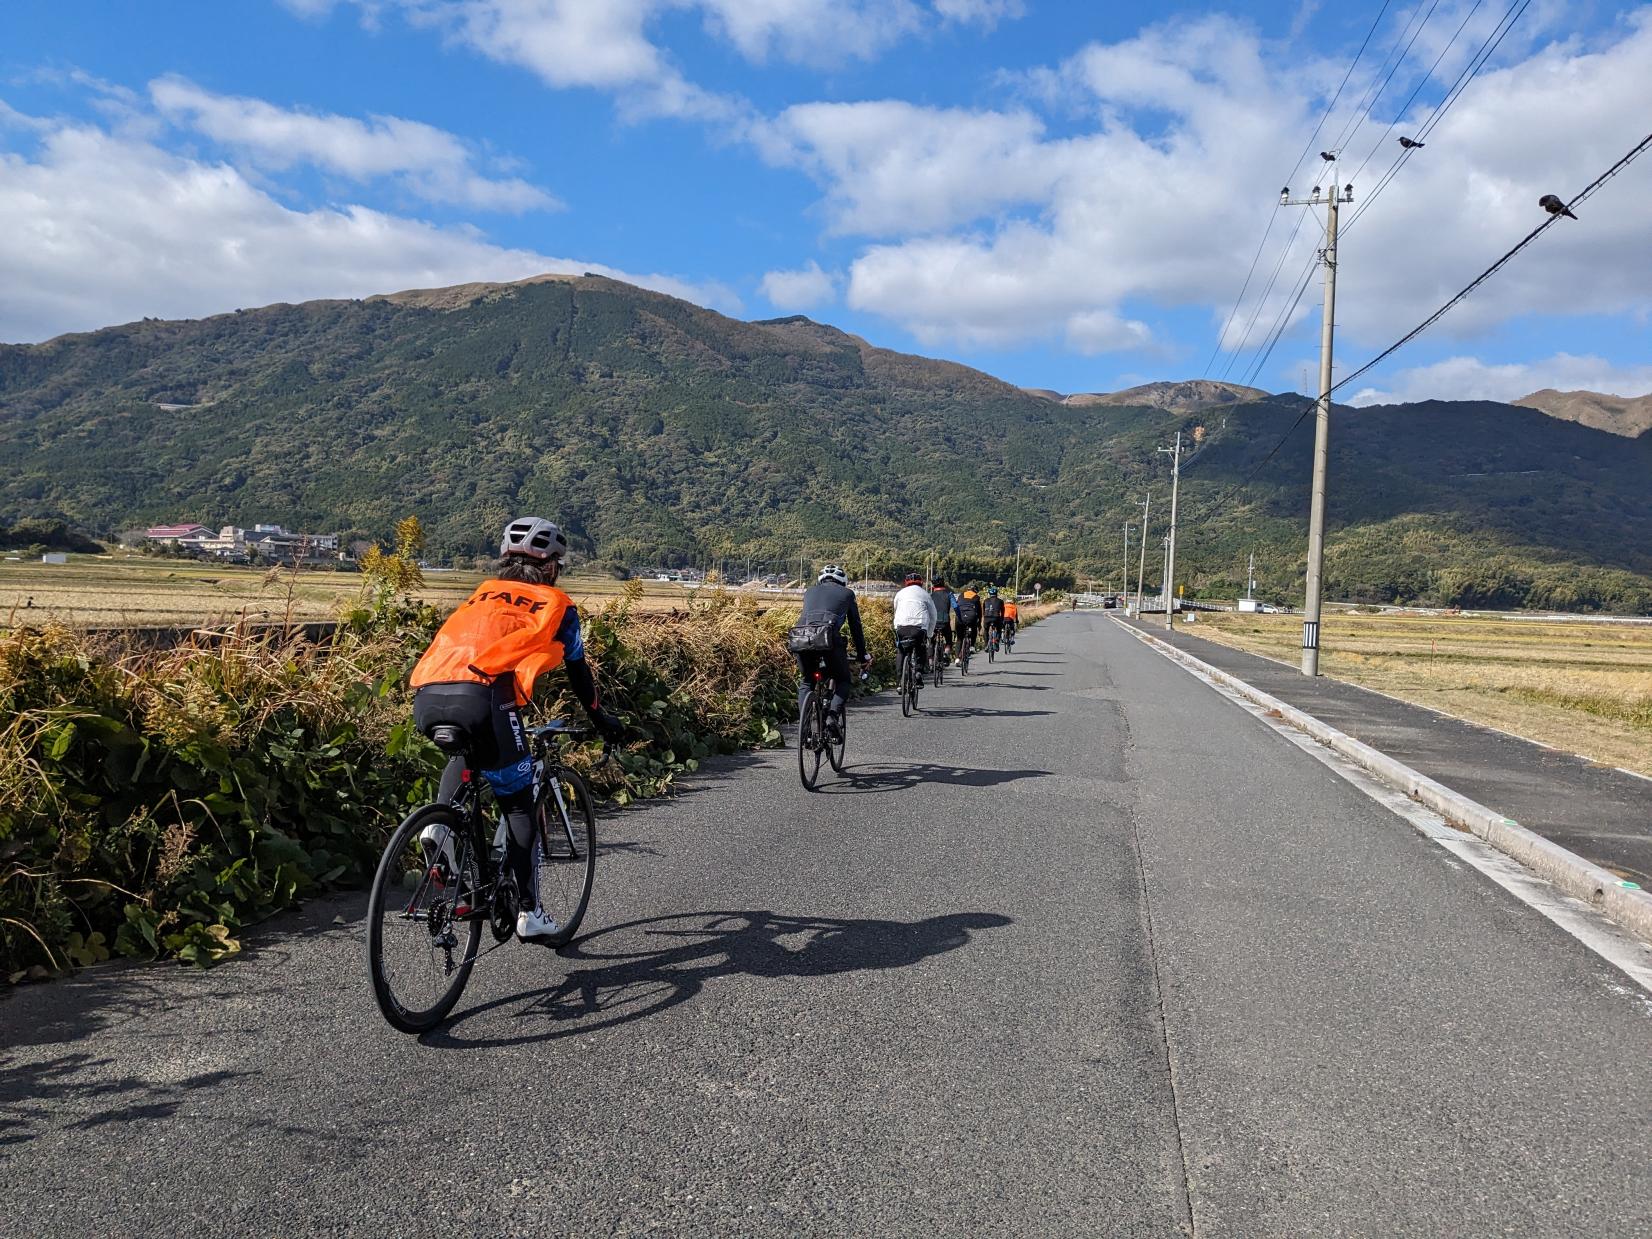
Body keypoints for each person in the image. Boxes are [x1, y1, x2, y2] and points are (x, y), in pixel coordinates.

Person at [409, 516, 624, 942]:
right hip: (485, 697)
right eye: (557, 564)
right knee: (520, 804)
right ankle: (529, 912)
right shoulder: (556, 604)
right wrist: (603, 720)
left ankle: (439, 826)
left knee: (468, 757)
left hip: (428, 692)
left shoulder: (482, 594)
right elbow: (578, 673)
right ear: (549, 567)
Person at [795, 564, 870, 738]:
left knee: (807, 681)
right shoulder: (847, 594)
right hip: (828, 638)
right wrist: (862, 655)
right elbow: (855, 627)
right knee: (843, 680)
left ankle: (805, 728)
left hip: (800, 637)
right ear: (842, 581)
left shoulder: (809, 591)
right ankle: (832, 717)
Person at [892, 570, 937, 682]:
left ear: (906, 582)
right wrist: (930, 634)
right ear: (921, 583)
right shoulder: (925, 594)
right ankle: (918, 671)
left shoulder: (900, 593)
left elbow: (895, 609)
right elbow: (933, 615)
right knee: (921, 648)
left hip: (901, 627)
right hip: (918, 628)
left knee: (901, 651)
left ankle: (899, 681)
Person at [928, 575, 957, 663]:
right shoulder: (949, 594)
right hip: (945, 622)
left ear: (933, 585)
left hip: (933, 623)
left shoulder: (930, 596)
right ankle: (946, 653)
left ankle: (930, 661)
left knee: (931, 642)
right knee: (948, 640)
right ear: (943, 583)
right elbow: (956, 606)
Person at [954, 586, 981, 668]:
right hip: (971, 616)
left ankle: (957, 659)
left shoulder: (961, 595)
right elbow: (979, 612)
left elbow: (957, 606)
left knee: (959, 638)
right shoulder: (976, 597)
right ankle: (972, 646)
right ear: (975, 591)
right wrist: (979, 623)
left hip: (960, 617)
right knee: (974, 628)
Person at [982, 585, 1007, 650]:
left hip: (987, 617)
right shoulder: (1000, 601)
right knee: (999, 630)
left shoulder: (985, 600)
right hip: (996, 617)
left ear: (989, 594)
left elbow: (983, 610)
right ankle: (996, 642)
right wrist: (1002, 618)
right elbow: (1003, 611)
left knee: (986, 630)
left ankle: (986, 644)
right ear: (996, 593)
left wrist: (984, 617)